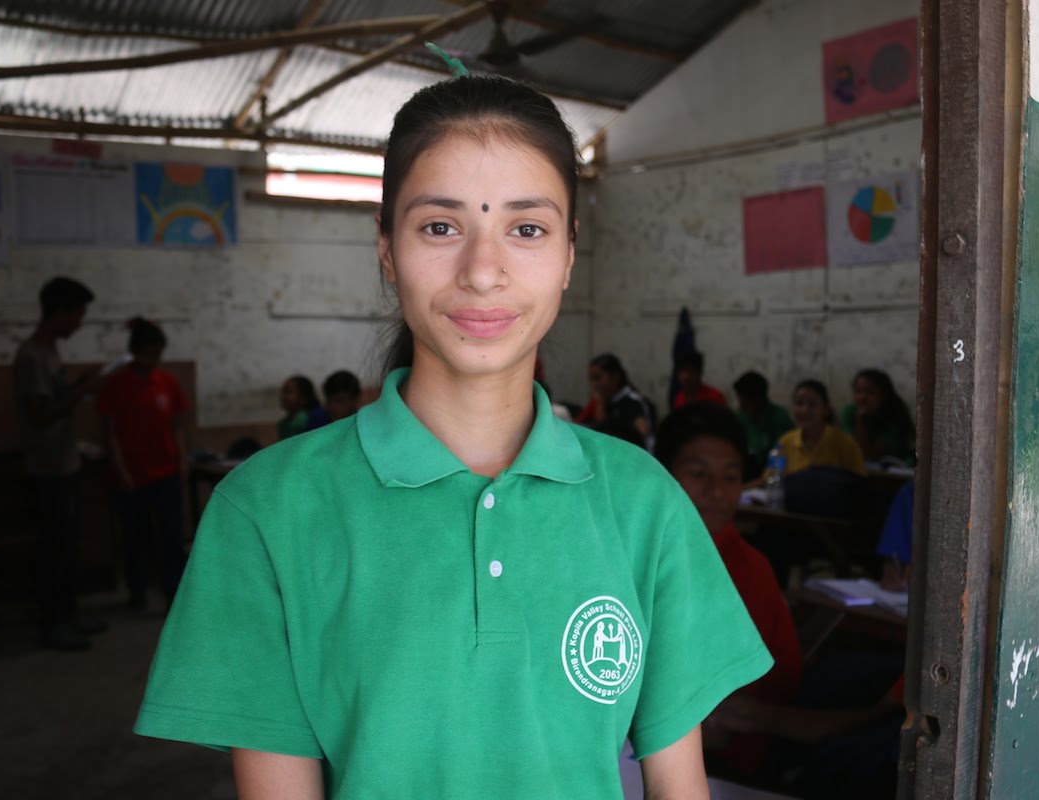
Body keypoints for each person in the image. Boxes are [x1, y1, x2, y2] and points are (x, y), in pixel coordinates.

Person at [135, 75, 772, 798]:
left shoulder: (643, 501)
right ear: (386, 247)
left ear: (569, 254)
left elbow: (679, 786)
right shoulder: (267, 509)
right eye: (440, 226)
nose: (482, 272)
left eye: (526, 229)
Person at [654, 404, 802, 777]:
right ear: (662, 475)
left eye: (731, 477)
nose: (716, 491)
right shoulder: (634, 554)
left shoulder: (752, 569)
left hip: (720, 760)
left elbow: (774, 684)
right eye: (698, 473)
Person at [13, 276, 104, 651]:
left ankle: (68, 614)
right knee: (53, 549)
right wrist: (81, 393)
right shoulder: (32, 355)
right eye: (78, 314)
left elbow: (52, 398)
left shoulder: (49, 352)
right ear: (60, 312)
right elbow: (40, 415)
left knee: (67, 548)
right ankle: (54, 623)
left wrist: (76, 385)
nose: (80, 323)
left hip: (64, 463)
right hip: (47, 468)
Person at [97, 317, 189, 612]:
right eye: (149, 354)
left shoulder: (167, 382)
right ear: (135, 352)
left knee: (171, 538)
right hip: (133, 476)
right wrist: (121, 470)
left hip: (166, 473)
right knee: (134, 539)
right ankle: (137, 592)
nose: (154, 360)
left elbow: (177, 425)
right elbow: (110, 432)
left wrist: (181, 458)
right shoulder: (117, 385)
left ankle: (174, 594)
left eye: (158, 354)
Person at [776, 379, 866, 478]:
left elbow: (860, 481)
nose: (804, 410)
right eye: (799, 403)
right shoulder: (785, 442)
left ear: (826, 409)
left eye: (812, 404)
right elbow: (772, 477)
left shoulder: (845, 444)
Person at [575, 353, 657, 448]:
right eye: (592, 379)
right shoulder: (606, 400)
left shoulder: (631, 401)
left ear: (615, 376)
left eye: (598, 378)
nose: (594, 384)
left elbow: (643, 432)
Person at [839, 369, 916, 464]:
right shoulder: (850, 412)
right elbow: (852, 451)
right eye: (858, 392)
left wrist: (861, 421)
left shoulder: (894, 416)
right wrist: (860, 419)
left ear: (883, 395)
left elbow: (869, 455)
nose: (862, 397)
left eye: (870, 392)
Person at [733, 370, 794, 471]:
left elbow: (783, 451)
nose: (741, 405)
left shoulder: (779, 417)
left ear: (759, 399)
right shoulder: (741, 417)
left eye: (744, 400)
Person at [277, 374, 320, 440]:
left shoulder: (307, 420)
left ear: (303, 398)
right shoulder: (284, 423)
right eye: (283, 391)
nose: (282, 396)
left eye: (288, 392)